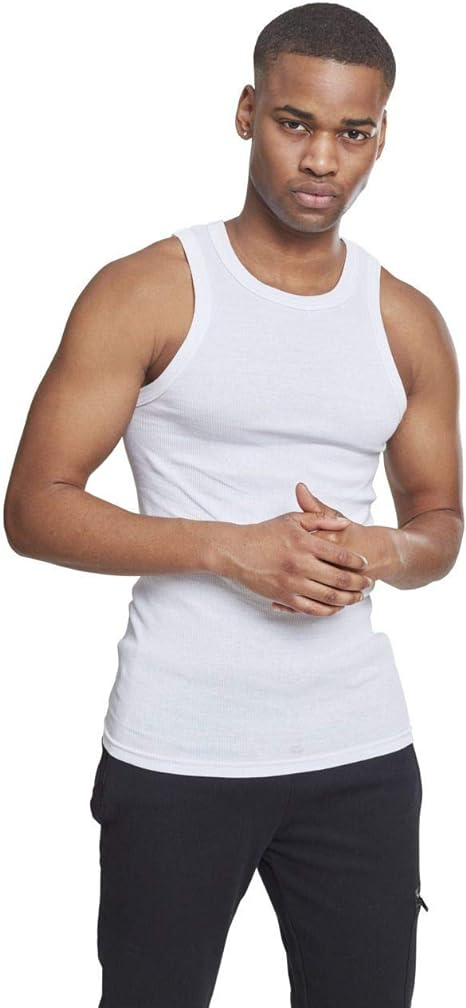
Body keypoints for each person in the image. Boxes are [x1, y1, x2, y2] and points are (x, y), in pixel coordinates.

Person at [4, 3, 463, 1006]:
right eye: (296, 123)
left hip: (360, 754)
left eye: (352, 132)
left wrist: (384, 550)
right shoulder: (147, 291)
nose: (322, 159)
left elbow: (440, 522)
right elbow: (33, 508)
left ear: (381, 136)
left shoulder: (407, 320)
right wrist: (228, 549)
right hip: (177, 749)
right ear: (248, 112)